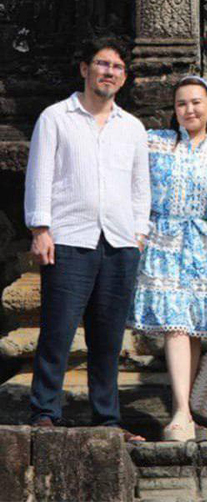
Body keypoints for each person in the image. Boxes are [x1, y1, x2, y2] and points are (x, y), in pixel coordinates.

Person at [24, 36, 150, 442]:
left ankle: (106, 418)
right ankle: (45, 411)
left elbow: (140, 187)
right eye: (102, 64)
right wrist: (40, 228)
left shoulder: (132, 127)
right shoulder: (56, 117)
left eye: (117, 67)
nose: (109, 73)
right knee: (57, 330)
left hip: (119, 243)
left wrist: (139, 233)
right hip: (69, 239)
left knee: (108, 338)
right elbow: (40, 174)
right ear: (85, 69)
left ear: (124, 77)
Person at [127, 76, 207, 442]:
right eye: (181, 103)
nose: (189, 109)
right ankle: (180, 412)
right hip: (165, 243)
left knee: (194, 331)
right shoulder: (154, 144)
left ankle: (188, 413)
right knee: (176, 325)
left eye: (196, 102)